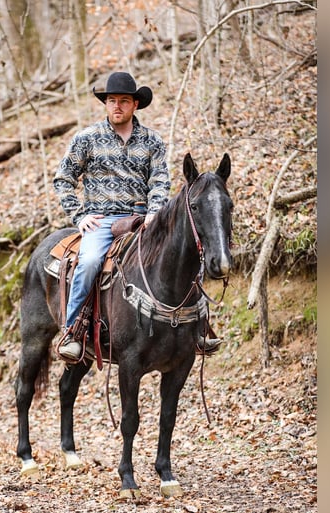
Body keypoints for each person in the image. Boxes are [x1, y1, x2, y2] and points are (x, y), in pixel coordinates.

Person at [53, 71, 220, 362]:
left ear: (135, 105)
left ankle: (198, 325)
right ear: (106, 104)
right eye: (112, 100)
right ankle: (74, 329)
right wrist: (79, 216)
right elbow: (63, 179)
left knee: (188, 253)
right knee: (91, 260)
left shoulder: (152, 141)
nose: (117, 106)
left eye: (124, 101)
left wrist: (155, 212)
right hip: (101, 220)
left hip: (143, 218)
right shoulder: (87, 139)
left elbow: (159, 181)